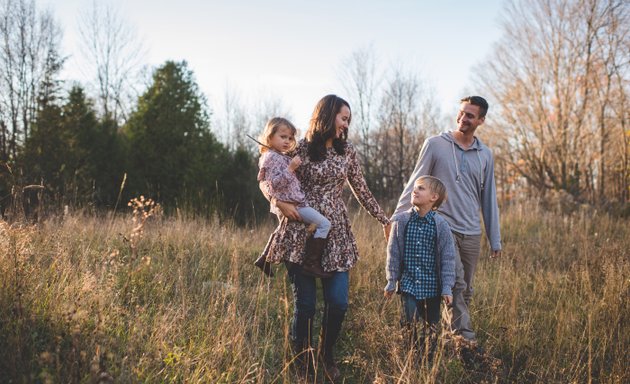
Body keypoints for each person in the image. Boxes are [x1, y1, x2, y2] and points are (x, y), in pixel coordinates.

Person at [260, 95, 390, 381]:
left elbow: (361, 188)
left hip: (337, 233)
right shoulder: (300, 147)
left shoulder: (347, 152)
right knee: (305, 305)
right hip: (300, 231)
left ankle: (326, 353)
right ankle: (302, 361)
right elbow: (268, 177)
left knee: (339, 302)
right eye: (343, 118)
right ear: (327, 116)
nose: (346, 124)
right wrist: (278, 203)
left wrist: (383, 219)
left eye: (348, 120)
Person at [390, 96, 502, 348]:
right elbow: (416, 182)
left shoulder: (485, 155)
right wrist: (396, 218)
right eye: (461, 113)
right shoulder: (436, 145)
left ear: (481, 120)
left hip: (472, 232)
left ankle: (445, 338)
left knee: (463, 290)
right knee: (458, 283)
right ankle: (467, 342)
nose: (463, 118)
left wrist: (494, 238)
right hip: (442, 227)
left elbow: (489, 197)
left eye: (470, 116)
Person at [384, 175, 456, 363]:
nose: (415, 190)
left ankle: (428, 359)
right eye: (415, 187)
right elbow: (394, 254)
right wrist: (391, 281)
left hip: (432, 287)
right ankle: (411, 357)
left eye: (421, 188)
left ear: (434, 197)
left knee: (432, 326)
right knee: (409, 322)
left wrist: (447, 287)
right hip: (408, 284)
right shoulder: (401, 221)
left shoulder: (441, 226)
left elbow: (448, 260)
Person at [254, 117, 332, 278]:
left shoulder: (279, 156)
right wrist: (290, 168)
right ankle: (312, 263)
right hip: (293, 205)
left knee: (281, 231)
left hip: (293, 201)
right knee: (324, 224)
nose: (287, 141)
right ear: (270, 137)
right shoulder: (271, 158)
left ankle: (264, 259)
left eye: (290, 138)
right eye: (283, 137)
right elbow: (273, 184)